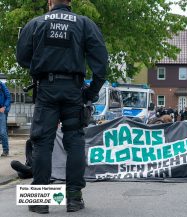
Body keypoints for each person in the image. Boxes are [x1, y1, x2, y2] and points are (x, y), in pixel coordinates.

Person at [16, 0, 108, 214]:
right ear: (70, 2)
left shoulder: (36, 23)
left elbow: (21, 58)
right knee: (74, 141)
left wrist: (42, 65)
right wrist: (90, 93)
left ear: (50, 3)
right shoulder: (84, 24)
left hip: (46, 89)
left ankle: (40, 200)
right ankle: (74, 199)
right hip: (73, 90)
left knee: (41, 143)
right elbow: (101, 64)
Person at [0, 81, 11, 157]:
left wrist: (4, 107)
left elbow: (8, 97)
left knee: (3, 131)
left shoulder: (2, 85)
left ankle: (5, 150)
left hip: (2, 109)